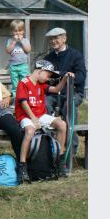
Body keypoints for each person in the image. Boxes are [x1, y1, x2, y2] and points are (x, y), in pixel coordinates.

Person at [15, 60, 72, 182]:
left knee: (62, 125)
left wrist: (65, 78)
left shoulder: (42, 84)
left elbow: (56, 89)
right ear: (40, 71)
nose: (48, 78)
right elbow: (24, 103)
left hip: (40, 115)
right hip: (25, 116)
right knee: (30, 131)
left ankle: (59, 161)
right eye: (48, 75)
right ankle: (22, 166)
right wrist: (34, 119)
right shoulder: (23, 83)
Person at [43, 27, 87, 155]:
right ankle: (49, 145)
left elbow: (81, 77)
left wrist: (59, 74)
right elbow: (44, 78)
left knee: (68, 105)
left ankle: (70, 150)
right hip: (53, 93)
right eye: (51, 39)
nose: (53, 41)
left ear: (64, 38)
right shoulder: (48, 58)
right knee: (44, 103)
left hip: (73, 93)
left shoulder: (76, 55)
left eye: (56, 38)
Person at [5, 20, 31, 96]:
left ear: (23, 31)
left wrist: (22, 41)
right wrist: (14, 42)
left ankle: (25, 96)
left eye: (20, 31)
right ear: (12, 32)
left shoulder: (25, 40)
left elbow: (28, 50)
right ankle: (16, 99)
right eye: (15, 31)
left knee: (25, 81)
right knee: (15, 84)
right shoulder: (10, 40)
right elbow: (8, 51)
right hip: (13, 66)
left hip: (23, 65)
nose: (18, 33)